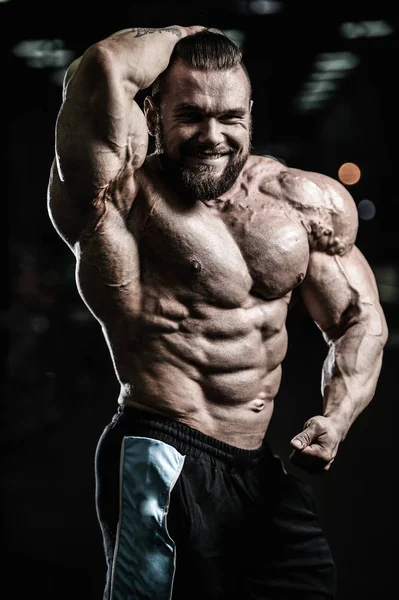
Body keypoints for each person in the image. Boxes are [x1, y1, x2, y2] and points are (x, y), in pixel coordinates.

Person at [47, 25, 388, 600]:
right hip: (161, 448)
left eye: (230, 116)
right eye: (191, 116)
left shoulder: (302, 202)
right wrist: (192, 32)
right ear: (152, 111)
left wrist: (338, 417)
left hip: (256, 470)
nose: (213, 135)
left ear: (251, 112)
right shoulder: (118, 195)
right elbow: (102, 68)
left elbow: (359, 318)